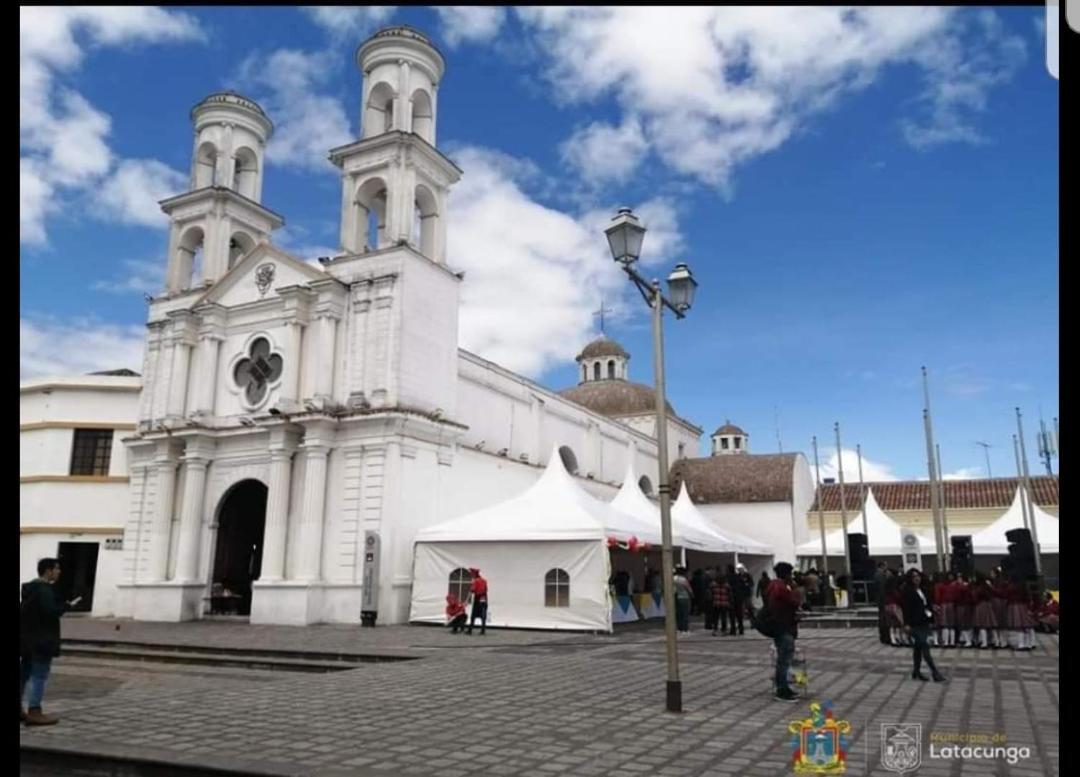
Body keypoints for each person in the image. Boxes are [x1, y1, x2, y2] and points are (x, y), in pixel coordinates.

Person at [21, 558, 80, 726]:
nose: (59, 572)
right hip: (42, 639)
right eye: (56, 569)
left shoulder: (29, 589)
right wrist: (66, 606)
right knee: (39, 675)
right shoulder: (44, 590)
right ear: (48, 571)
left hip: (27, 639)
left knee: (24, 674)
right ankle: (34, 711)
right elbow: (50, 611)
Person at [900, 569, 947, 683]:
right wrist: (906, 624)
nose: (917, 578)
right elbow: (905, 609)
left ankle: (916, 671)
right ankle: (935, 672)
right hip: (914, 623)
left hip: (924, 621)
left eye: (918, 576)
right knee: (924, 646)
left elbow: (926, 604)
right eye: (914, 577)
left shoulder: (923, 590)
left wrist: (933, 608)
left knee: (918, 648)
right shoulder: (907, 592)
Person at [766, 562, 801, 702]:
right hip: (783, 626)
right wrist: (794, 590)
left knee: (783, 659)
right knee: (784, 659)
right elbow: (795, 601)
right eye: (790, 573)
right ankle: (782, 690)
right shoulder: (780, 588)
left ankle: (783, 687)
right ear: (786, 574)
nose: (791, 576)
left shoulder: (772, 586)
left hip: (779, 626)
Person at [971, 572, 998, 649]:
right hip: (988, 605)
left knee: (982, 625)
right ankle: (995, 642)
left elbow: (975, 597)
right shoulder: (987, 586)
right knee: (991, 625)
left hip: (980, 606)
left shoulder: (978, 588)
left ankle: (984, 643)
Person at [726, 564, 749, 636]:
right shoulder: (739, 577)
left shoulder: (729, 578)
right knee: (739, 614)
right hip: (739, 597)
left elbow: (728, 588)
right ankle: (741, 629)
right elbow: (744, 586)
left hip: (732, 598)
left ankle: (733, 630)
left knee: (732, 614)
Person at [466, 567, 488, 635]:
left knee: (474, 614)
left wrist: (470, 588)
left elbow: (472, 590)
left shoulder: (475, 581)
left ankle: (470, 630)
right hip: (484, 597)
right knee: (483, 613)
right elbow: (486, 589)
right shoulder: (484, 580)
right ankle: (483, 630)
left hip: (478, 598)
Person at [933, 573, 953, 648]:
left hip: (942, 605)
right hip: (951, 605)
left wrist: (936, 604)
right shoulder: (951, 586)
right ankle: (951, 642)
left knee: (943, 624)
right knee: (950, 624)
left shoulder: (939, 586)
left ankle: (944, 642)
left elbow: (937, 596)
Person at [709, 569, 731, 636]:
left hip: (716, 603)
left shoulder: (713, 585)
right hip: (724, 603)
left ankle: (715, 630)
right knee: (723, 617)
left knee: (715, 617)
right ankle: (724, 630)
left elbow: (711, 593)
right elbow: (729, 594)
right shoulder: (727, 585)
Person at [673, 567, 693, 633]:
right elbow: (688, 588)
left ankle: (679, 628)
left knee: (679, 613)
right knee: (685, 613)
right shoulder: (683, 579)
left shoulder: (674, 578)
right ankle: (685, 628)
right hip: (685, 597)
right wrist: (692, 594)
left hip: (677, 597)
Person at [874, 562, 890, 645]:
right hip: (883, 600)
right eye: (886, 566)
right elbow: (882, 588)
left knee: (882, 618)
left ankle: (883, 636)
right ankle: (885, 636)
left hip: (880, 599)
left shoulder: (877, 575)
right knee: (884, 618)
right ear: (882, 566)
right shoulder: (880, 575)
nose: (887, 568)